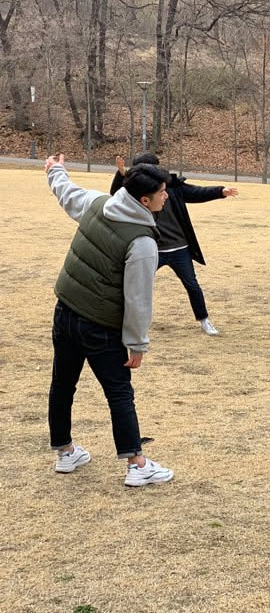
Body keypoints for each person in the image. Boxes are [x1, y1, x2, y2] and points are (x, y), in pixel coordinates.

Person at [45, 154, 174, 487]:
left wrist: (56, 170)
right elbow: (138, 300)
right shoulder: (142, 242)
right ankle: (137, 464)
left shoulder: (98, 203)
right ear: (144, 200)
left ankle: (65, 452)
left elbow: (67, 193)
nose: (166, 196)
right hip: (99, 327)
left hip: (65, 312)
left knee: (62, 384)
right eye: (162, 192)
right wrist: (137, 344)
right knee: (119, 394)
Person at [111, 154, 238, 335]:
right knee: (137, 284)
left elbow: (196, 192)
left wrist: (220, 191)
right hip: (152, 249)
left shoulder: (172, 187)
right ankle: (124, 320)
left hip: (180, 248)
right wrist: (121, 174)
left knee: (192, 285)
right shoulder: (136, 192)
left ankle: (204, 320)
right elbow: (117, 196)